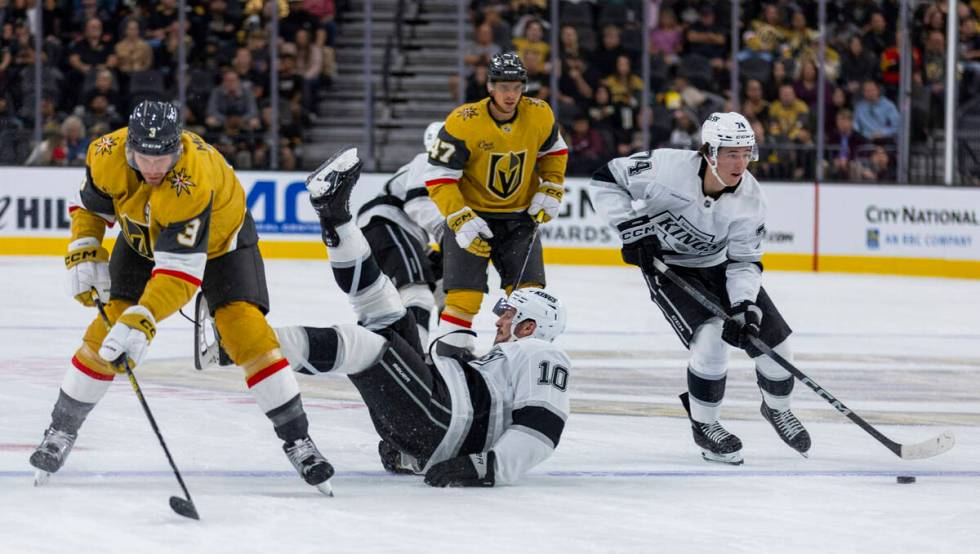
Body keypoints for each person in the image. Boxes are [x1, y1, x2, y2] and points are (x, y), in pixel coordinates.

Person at [29, 100, 332, 492]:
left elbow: (179, 274)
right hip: (142, 243)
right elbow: (91, 207)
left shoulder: (192, 178)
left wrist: (143, 321)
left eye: (165, 156)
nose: (155, 167)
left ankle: (298, 440)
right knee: (103, 334)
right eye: (145, 157)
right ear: (129, 148)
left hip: (224, 246)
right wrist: (85, 247)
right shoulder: (105, 153)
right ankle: (60, 430)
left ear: (178, 147)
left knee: (247, 333)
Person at [265, 147, 571, 486]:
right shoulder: (508, 358)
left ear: (530, 326)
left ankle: (252, 344)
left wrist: (491, 467)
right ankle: (334, 216)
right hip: (438, 408)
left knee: (365, 346)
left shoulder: (541, 352)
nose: (499, 321)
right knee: (382, 305)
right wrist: (415, 455)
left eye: (509, 314)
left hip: (443, 415)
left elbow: (543, 423)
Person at [586, 112, 811, 465]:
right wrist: (632, 228)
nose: (741, 163)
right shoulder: (664, 167)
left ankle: (777, 408)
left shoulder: (751, 200)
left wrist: (743, 307)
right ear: (709, 152)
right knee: (710, 339)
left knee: (777, 344)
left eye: (746, 153)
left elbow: (743, 263)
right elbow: (605, 180)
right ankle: (705, 426)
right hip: (670, 267)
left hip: (721, 266)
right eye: (731, 154)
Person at [422, 52, 568, 356]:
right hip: (473, 220)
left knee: (530, 301)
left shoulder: (540, 114)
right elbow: (438, 174)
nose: (510, 94)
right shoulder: (463, 122)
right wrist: (459, 217)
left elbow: (554, 151)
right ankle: (452, 367)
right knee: (464, 299)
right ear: (490, 87)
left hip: (519, 221)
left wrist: (552, 185)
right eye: (503, 87)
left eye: (516, 87)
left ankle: (516, 364)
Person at [354, 122, 447, 345]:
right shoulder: (429, 161)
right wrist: (448, 232)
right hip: (387, 223)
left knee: (447, 287)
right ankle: (414, 356)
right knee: (417, 293)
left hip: (400, 231)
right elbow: (417, 204)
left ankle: (453, 347)